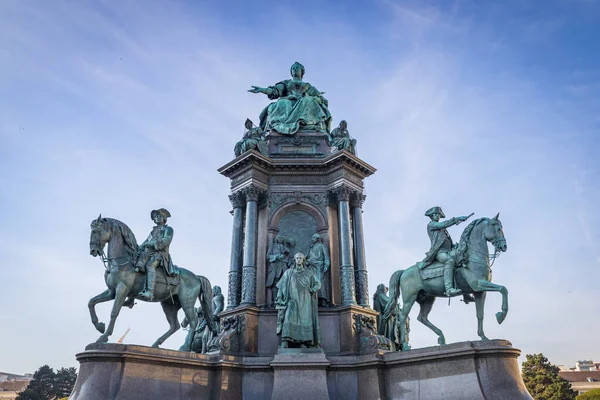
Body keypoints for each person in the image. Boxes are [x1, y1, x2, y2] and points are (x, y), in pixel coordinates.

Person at [248, 62, 332, 135]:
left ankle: (304, 123)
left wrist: (317, 99)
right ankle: (281, 125)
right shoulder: (286, 83)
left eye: (297, 68)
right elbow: (275, 91)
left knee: (308, 100)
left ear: (302, 71)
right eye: (293, 68)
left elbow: (320, 98)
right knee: (282, 103)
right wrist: (262, 90)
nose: (295, 69)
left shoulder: (307, 86)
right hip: (288, 101)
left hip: (304, 102)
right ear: (291, 72)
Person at [417, 206, 471, 297]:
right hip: (439, 252)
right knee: (450, 261)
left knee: (462, 259)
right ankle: (449, 288)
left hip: (448, 251)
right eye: (436, 214)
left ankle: (466, 293)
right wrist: (457, 219)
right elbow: (444, 224)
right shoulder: (431, 225)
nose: (438, 216)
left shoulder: (443, 230)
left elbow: (448, 241)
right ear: (432, 216)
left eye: (439, 214)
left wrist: (456, 246)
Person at [275, 253, 321, 348]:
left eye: (300, 258)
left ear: (303, 260)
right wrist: (279, 297)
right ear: (294, 260)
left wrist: (312, 289)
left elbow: (318, 283)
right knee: (288, 316)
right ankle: (285, 340)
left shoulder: (309, 273)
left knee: (305, 320)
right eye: (297, 258)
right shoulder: (288, 272)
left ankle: (303, 342)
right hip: (292, 299)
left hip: (305, 300)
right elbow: (281, 286)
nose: (299, 259)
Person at [136, 208, 178, 301]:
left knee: (150, 266)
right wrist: (137, 248)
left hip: (161, 254)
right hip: (148, 253)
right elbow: (145, 242)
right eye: (155, 217)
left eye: (159, 216)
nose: (156, 218)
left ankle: (149, 292)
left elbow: (166, 240)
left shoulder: (168, 229)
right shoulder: (152, 232)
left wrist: (153, 244)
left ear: (164, 218)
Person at [266, 235, 293, 307]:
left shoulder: (286, 248)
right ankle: (275, 300)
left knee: (285, 283)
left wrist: (289, 262)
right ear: (276, 239)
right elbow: (268, 256)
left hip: (284, 267)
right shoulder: (273, 246)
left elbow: (291, 258)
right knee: (275, 283)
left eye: (282, 238)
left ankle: (285, 299)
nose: (281, 239)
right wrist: (276, 256)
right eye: (279, 237)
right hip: (275, 266)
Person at [305, 233, 331, 307]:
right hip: (311, 267)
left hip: (319, 267)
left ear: (317, 238)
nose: (312, 239)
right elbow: (306, 256)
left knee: (320, 283)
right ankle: (313, 300)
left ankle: (322, 300)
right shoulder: (311, 247)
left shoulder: (322, 246)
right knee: (311, 283)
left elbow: (326, 256)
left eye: (313, 238)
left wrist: (326, 265)